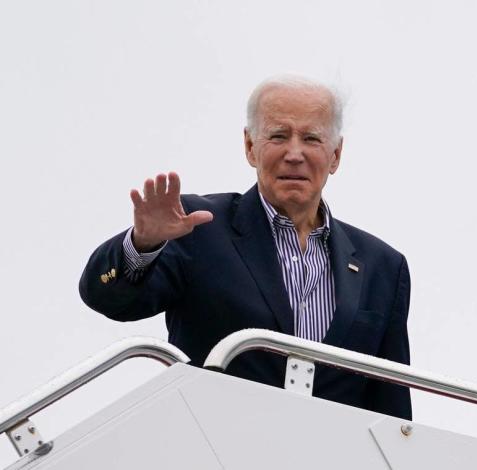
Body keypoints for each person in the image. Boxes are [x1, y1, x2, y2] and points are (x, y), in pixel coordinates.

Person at [79, 75, 412, 419]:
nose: (294, 154)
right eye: (278, 136)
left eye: (311, 138)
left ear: (336, 155)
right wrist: (144, 244)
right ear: (250, 147)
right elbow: (107, 298)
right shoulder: (198, 226)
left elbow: (391, 410)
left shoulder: (383, 266)